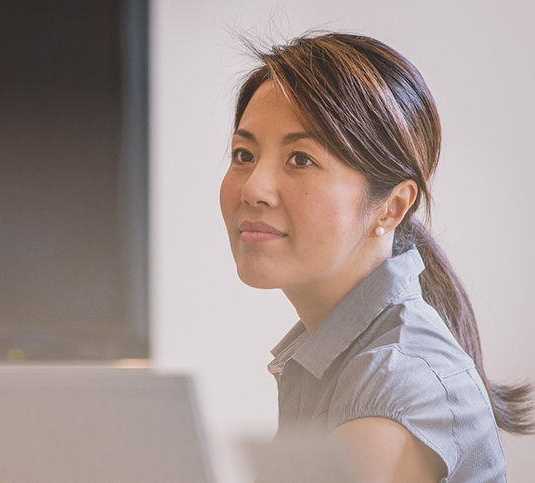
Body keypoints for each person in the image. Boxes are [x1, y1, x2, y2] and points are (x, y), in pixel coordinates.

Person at [219, 32, 534, 483]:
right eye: (243, 155)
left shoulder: (398, 387)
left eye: (300, 159)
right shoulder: (339, 357)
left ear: (392, 206)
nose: (252, 189)